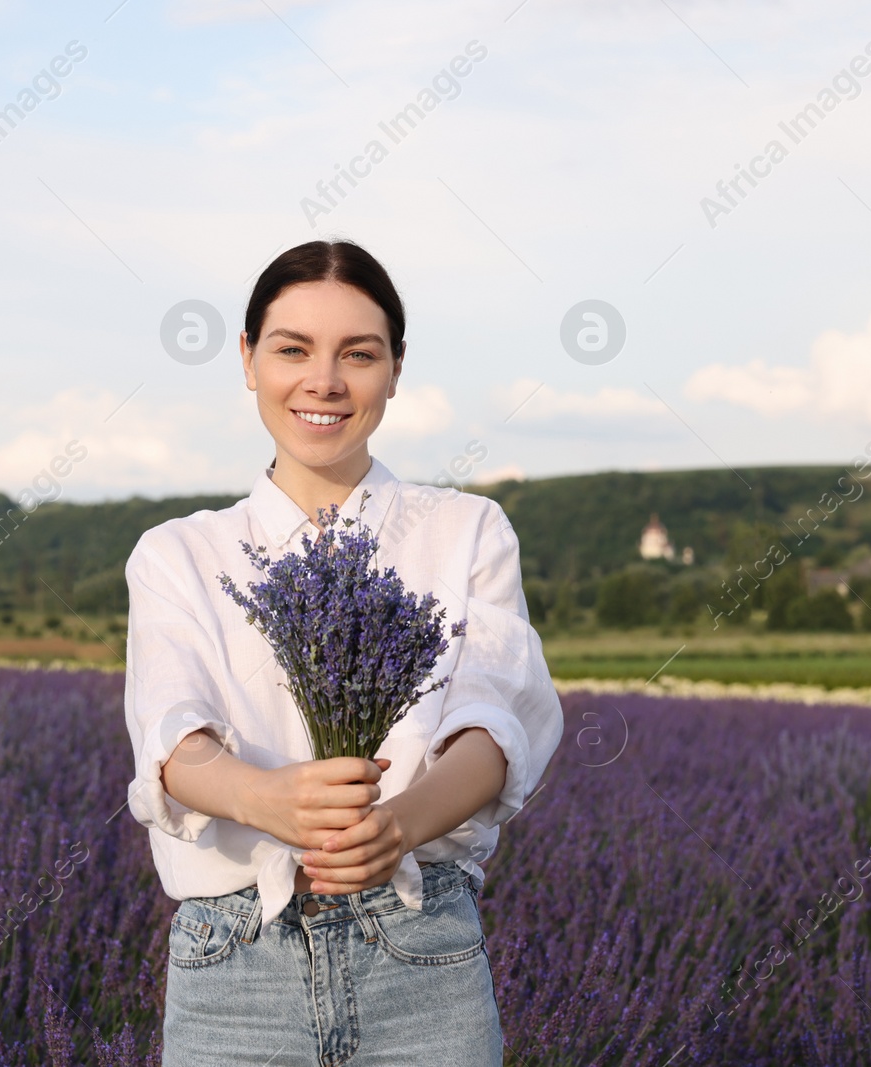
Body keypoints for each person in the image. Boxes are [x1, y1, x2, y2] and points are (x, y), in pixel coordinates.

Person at [122, 239, 563, 1065]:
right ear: (249, 359)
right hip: (234, 972)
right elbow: (171, 737)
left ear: (396, 369)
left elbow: (494, 724)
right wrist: (267, 800)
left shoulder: (465, 532)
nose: (323, 381)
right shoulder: (179, 553)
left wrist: (395, 826)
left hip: (419, 953)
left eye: (358, 354)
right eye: (292, 349)